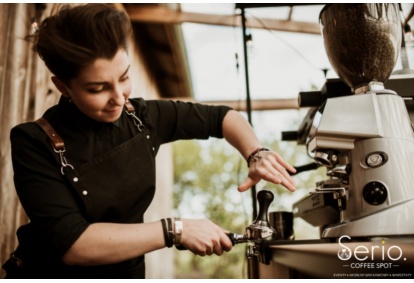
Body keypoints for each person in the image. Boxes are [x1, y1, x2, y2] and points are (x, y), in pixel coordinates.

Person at [2, 3, 296, 279]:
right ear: (63, 86)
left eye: (124, 77)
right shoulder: (33, 141)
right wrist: (175, 230)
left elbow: (222, 117)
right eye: (98, 88)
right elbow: (74, 245)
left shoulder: (141, 117)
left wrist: (256, 152)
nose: (118, 97)